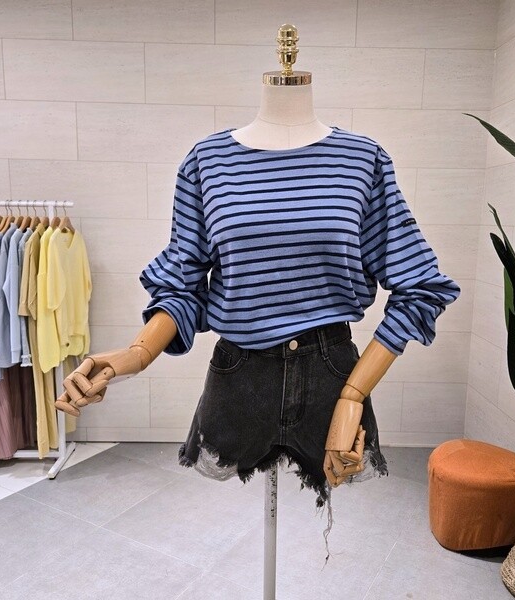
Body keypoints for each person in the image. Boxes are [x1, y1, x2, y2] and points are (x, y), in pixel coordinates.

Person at [55, 32, 460, 508]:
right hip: (239, 376)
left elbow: (420, 287)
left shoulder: (362, 160)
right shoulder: (207, 161)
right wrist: (135, 355)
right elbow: (183, 284)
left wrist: (352, 395)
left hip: (332, 375)